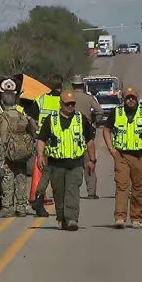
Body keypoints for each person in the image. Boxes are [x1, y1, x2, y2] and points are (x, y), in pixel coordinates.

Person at [36, 90, 96, 231]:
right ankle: (62, 218)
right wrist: (40, 156)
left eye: (72, 104)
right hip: (56, 164)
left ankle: (72, 219)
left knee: (72, 192)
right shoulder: (51, 119)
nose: (70, 106)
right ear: (60, 104)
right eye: (68, 104)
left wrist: (92, 160)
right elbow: (42, 140)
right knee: (59, 193)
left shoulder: (80, 119)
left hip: (75, 163)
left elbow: (89, 141)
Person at [102, 88, 142, 229]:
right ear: (123, 99)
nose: (130, 100)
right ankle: (120, 217)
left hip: (141, 156)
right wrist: (112, 149)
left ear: (137, 98)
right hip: (121, 155)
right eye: (128, 98)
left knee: (138, 188)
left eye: (133, 97)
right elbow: (106, 130)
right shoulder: (117, 113)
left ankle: (136, 218)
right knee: (122, 186)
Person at [0, 78, 37, 217]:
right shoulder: (24, 117)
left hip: (5, 152)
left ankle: (8, 207)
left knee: (7, 178)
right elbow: (34, 132)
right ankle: (21, 207)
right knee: (21, 177)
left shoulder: (0, 118)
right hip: (22, 152)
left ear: (2, 100)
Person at [27, 74, 64, 217]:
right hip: (59, 140)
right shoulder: (64, 101)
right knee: (59, 172)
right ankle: (59, 202)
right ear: (61, 86)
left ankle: (38, 197)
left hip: (42, 139)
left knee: (42, 171)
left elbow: (30, 117)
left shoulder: (40, 100)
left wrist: (36, 130)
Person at [68, 74, 103, 199]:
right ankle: (91, 192)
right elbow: (100, 111)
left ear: (73, 85)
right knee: (89, 162)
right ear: (82, 85)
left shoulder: (69, 98)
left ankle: (71, 191)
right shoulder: (89, 98)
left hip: (70, 133)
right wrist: (93, 121)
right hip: (86, 131)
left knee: (71, 163)